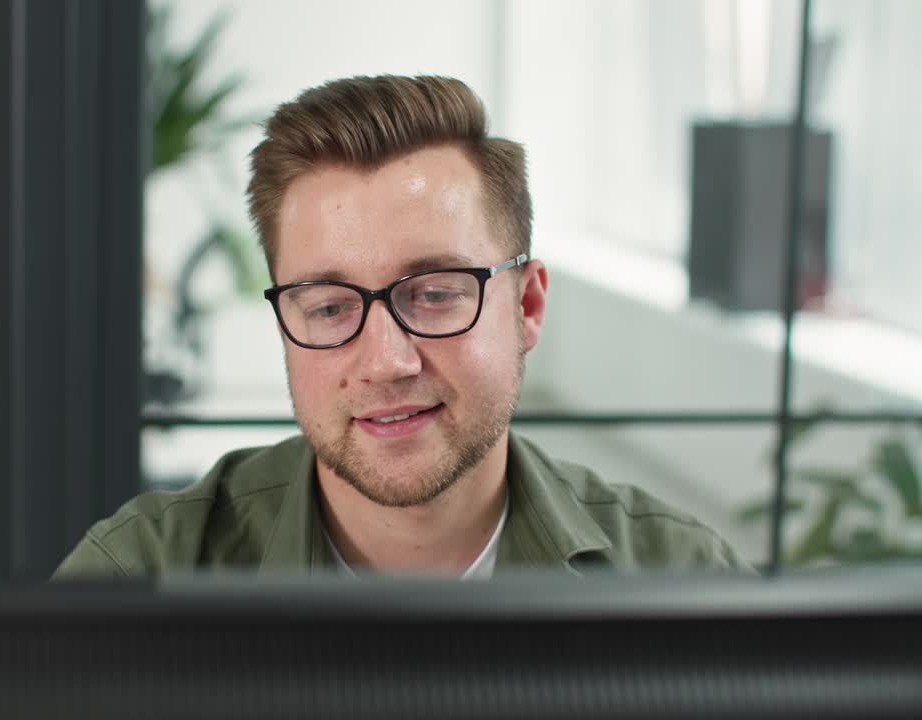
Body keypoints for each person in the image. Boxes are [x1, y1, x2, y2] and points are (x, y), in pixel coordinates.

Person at [54, 74, 749, 579]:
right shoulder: (140, 577)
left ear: (527, 307)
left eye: (437, 294)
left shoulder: (680, 575)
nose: (387, 362)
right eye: (329, 307)